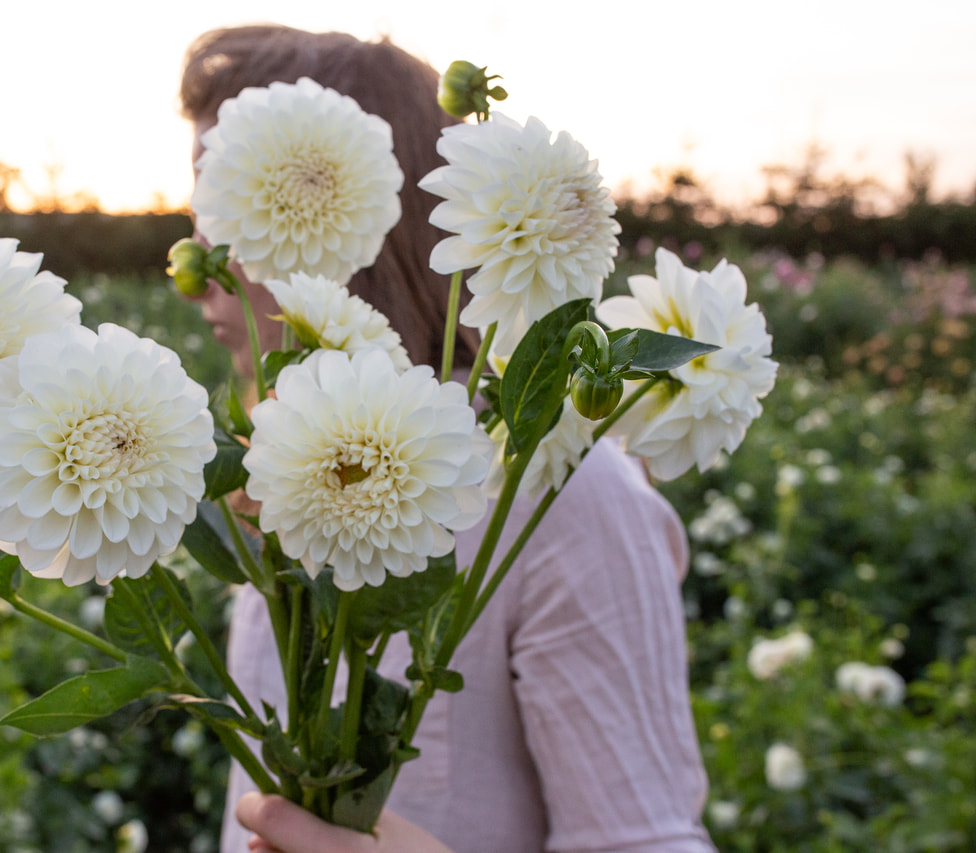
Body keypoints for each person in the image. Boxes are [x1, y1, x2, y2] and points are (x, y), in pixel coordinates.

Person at [179, 25, 717, 853]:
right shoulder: (276, 462)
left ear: (350, 209)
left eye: (226, 208)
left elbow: (650, 841)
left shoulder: (562, 490)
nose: (200, 267)